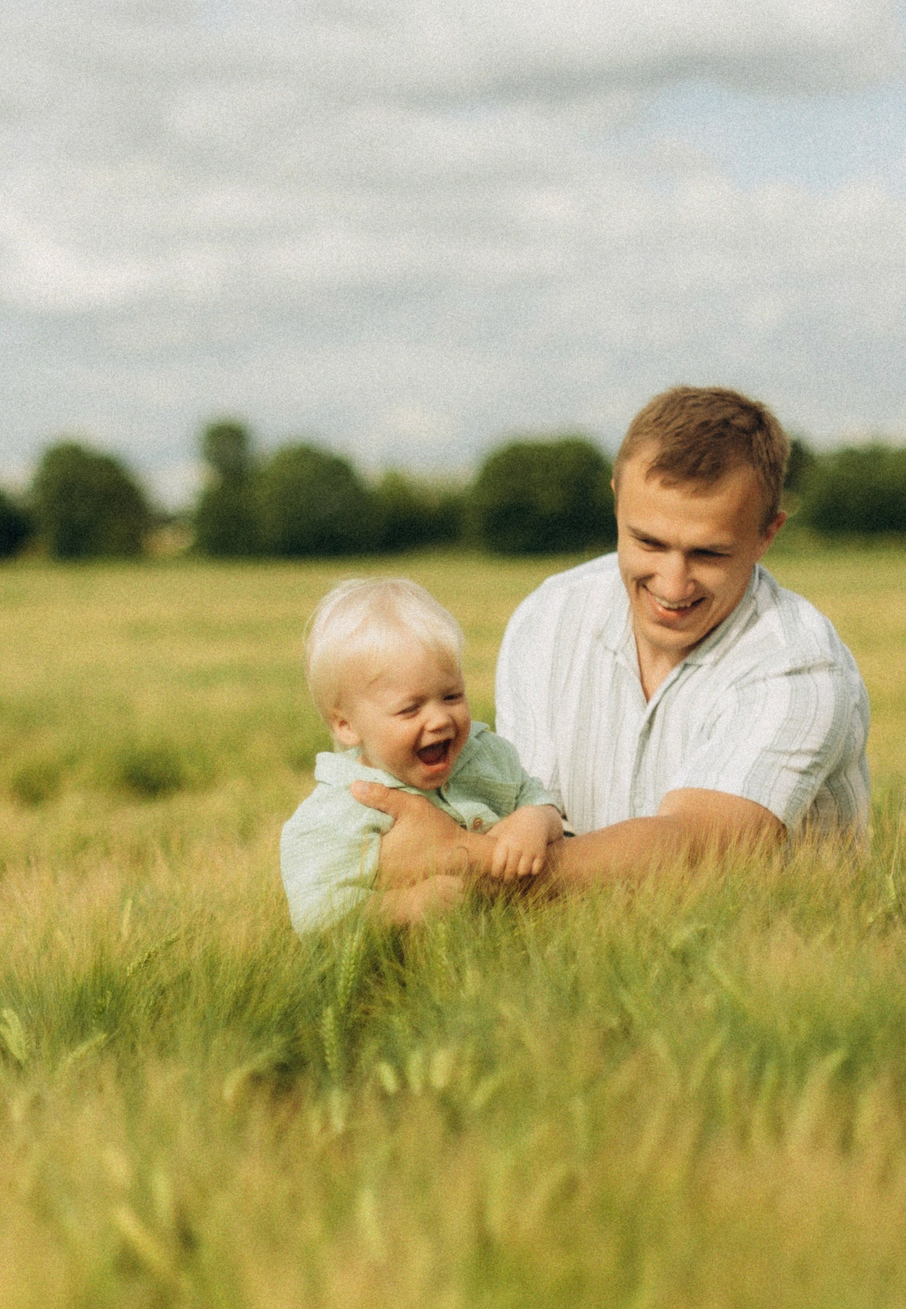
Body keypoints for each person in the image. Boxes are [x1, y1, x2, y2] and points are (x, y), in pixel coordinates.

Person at [351, 386, 868, 897]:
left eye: (709, 554)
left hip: (762, 955)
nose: (673, 583)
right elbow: (518, 806)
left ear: (766, 534)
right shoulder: (547, 620)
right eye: (649, 541)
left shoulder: (800, 664)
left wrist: (458, 862)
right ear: (617, 496)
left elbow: (703, 847)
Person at [280, 578, 563, 933]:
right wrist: (405, 905)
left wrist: (536, 820)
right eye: (410, 709)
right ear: (347, 726)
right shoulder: (335, 813)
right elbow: (315, 915)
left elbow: (539, 798)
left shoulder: (488, 754)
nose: (440, 719)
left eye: (452, 696)